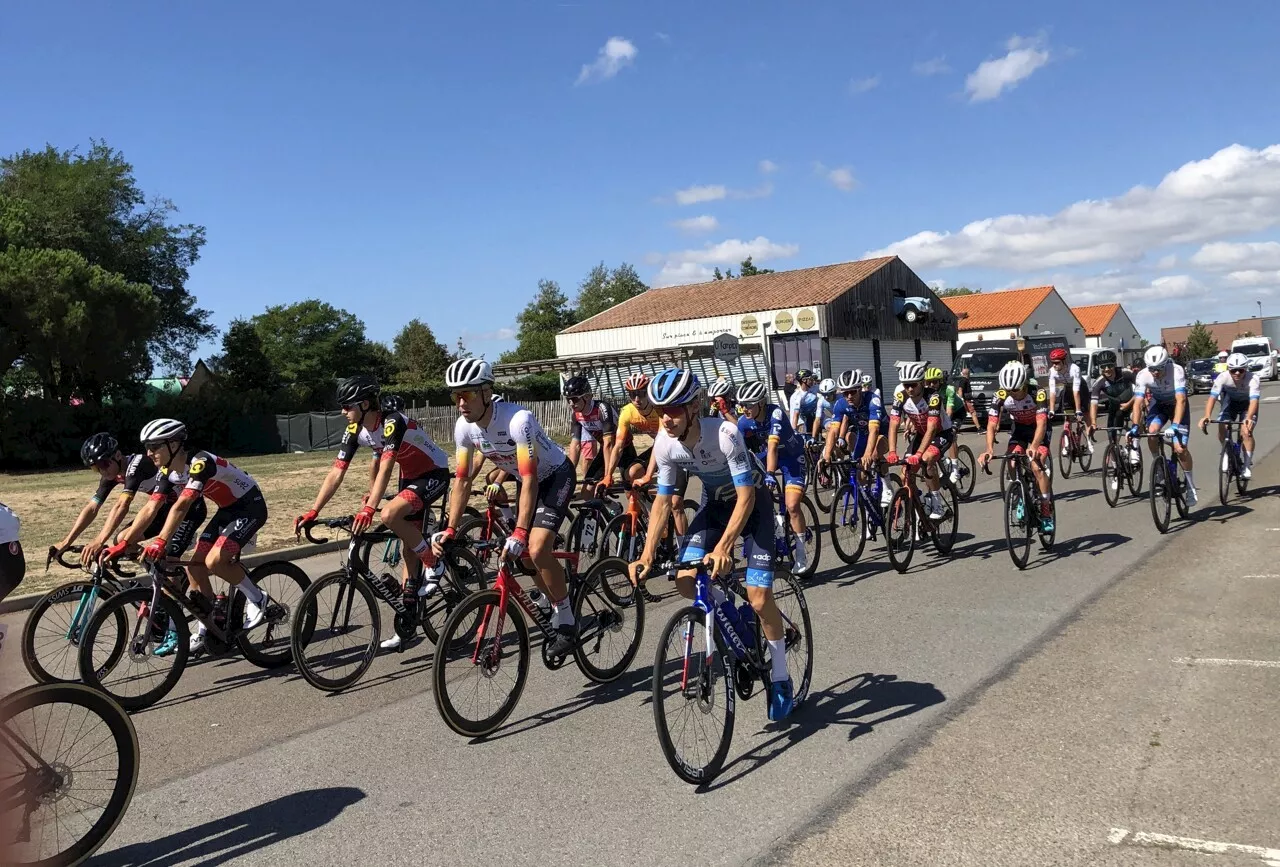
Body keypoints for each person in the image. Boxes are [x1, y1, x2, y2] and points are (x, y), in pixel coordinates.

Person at [627, 368, 796, 721]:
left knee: (760, 596)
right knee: (685, 579)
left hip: (753, 506)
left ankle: (780, 676)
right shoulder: (666, 443)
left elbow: (747, 496)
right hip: (716, 505)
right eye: (661, 410)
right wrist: (644, 555)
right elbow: (662, 501)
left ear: (693, 408)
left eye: (674, 410)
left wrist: (724, 548)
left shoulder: (725, 434)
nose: (666, 419)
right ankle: (734, 620)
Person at [295, 374, 453, 651]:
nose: (343, 412)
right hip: (411, 477)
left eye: (347, 406)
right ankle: (407, 625)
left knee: (389, 515)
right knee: (407, 549)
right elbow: (336, 473)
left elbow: (387, 467)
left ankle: (433, 562)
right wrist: (313, 510)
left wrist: (370, 508)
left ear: (365, 404)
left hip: (433, 473)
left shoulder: (393, 422)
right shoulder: (356, 430)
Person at [433, 358, 578, 657]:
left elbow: (529, 477)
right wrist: (450, 528)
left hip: (555, 475)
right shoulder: (464, 428)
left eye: (468, 394)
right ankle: (551, 599)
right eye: (455, 395)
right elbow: (461, 480)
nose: (461, 402)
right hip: (526, 481)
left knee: (535, 549)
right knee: (524, 558)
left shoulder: (517, 420)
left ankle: (566, 616)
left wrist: (521, 531)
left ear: (487, 393)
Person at [103, 419, 276, 653]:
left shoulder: (200, 462)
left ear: (174, 444)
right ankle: (209, 624)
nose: (149, 453)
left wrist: (161, 541)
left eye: (154, 447)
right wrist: (124, 543)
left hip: (250, 507)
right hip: (228, 510)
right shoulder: (167, 471)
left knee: (214, 561)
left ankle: (257, 599)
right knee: (194, 567)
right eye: (147, 447)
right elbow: (150, 508)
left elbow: (182, 505)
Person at [51, 433, 167, 567]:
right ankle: (157, 569)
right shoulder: (112, 473)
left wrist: (99, 541)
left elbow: (122, 505)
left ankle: (164, 569)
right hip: (162, 507)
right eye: (96, 468)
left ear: (118, 455)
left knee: (125, 540)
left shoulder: (136, 465)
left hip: (180, 507)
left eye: (104, 464)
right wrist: (66, 542)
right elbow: (92, 508)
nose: (102, 471)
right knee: (122, 541)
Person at [598, 374, 690, 540]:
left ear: (648, 392)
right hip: (660, 446)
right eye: (632, 395)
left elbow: (661, 442)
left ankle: (685, 548)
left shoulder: (660, 409)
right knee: (632, 473)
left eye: (641, 393)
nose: (637, 399)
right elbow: (618, 446)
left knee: (676, 504)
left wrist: (648, 475)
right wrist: (608, 475)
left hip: (678, 448)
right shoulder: (627, 412)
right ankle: (652, 506)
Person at [735, 380, 811, 573]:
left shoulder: (775, 413)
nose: (744, 409)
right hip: (768, 456)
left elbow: (773, 447)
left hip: (792, 458)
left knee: (792, 505)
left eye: (749, 404)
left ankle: (801, 555)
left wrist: (769, 474)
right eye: (741, 405)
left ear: (761, 402)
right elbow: (741, 452)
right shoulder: (744, 421)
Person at [979, 362, 1054, 531]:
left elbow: (1042, 424)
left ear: (1024, 384)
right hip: (1019, 429)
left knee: (1036, 465)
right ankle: (1020, 495)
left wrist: (1034, 446)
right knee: (1012, 461)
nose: (1011, 393)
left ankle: (1045, 510)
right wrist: (989, 449)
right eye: (1008, 390)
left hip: (1038, 430)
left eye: (1015, 390)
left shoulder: (1038, 393)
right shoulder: (1000, 395)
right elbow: (991, 425)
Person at [885, 361, 953, 521]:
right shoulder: (900, 397)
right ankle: (921, 499)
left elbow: (932, 428)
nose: (909, 389)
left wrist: (920, 453)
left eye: (913, 385)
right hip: (922, 435)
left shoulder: (933, 397)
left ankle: (937, 502)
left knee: (927, 459)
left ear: (922, 383)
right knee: (905, 474)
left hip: (941, 433)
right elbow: (893, 424)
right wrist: (892, 451)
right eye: (906, 385)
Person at [1132, 345, 1196, 506]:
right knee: (1152, 432)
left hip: (1177, 407)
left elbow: (1181, 399)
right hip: (1159, 405)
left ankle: (1190, 486)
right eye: (1152, 369)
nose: (1155, 373)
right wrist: (1134, 426)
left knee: (1180, 448)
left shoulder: (1177, 370)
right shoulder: (1142, 375)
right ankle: (1159, 466)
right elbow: (1138, 402)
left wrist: (1175, 425)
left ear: (1166, 363)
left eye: (1159, 369)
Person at [1199, 351, 1260, 479]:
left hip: (1247, 405)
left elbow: (1254, 401)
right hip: (1230, 403)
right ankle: (1226, 451)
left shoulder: (1253, 378)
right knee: (1222, 426)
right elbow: (1212, 397)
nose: (1237, 373)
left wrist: (1248, 418)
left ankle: (1247, 466)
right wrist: (1206, 415)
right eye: (1233, 371)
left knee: (1246, 432)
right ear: (1229, 369)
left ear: (1246, 369)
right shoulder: (1223, 377)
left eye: (1241, 370)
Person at [562, 374, 618, 499]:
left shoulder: (602, 409)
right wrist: (569, 473)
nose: (571, 403)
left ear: (587, 396)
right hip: (606, 451)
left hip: (622, 449)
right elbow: (575, 445)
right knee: (587, 491)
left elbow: (609, 443)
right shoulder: (576, 415)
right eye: (568, 400)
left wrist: (608, 474)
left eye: (575, 399)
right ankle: (612, 510)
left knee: (630, 487)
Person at [1086, 350, 1141, 474]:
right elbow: (1093, 404)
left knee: (1137, 421)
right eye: (1103, 367)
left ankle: (1134, 451)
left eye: (1110, 366)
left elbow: (1140, 391)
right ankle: (1116, 471)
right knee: (1112, 440)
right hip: (1115, 410)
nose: (1107, 369)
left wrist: (1129, 404)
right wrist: (1093, 423)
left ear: (1115, 364)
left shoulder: (1126, 373)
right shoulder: (1099, 382)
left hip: (1131, 405)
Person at [924, 366, 966, 485]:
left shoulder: (949, 389)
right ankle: (943, 460)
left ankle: (955, 469)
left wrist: (942, 425)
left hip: (957, 412)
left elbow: (949, 411)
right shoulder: (927, 392)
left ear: (940, 381)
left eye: (935, 381)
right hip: (941, 415)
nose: (932, 384)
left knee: (950, 433)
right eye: (929, 382)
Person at [1047, 348, 1092, 457]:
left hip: (1081, 388)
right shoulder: (1052, 371)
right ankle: (1067, 444)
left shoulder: (1074, 369)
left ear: (1064, 361)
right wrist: (1052, 410)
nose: (1054, 365)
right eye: (1052, 363)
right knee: (1067, 417)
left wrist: (1078, 410)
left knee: (1085, 415)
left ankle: (1089, 444)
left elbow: (1076, 392)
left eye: (1057, 363)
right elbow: (1052, 392)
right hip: (1067, 388)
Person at [789, 369, 819, 440]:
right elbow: (795, 415)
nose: (812, 380)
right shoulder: (797, 396)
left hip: (817, 417)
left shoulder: (815, 388)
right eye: (810, 379)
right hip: (802, 422)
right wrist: (793, 432)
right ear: (804, 380)